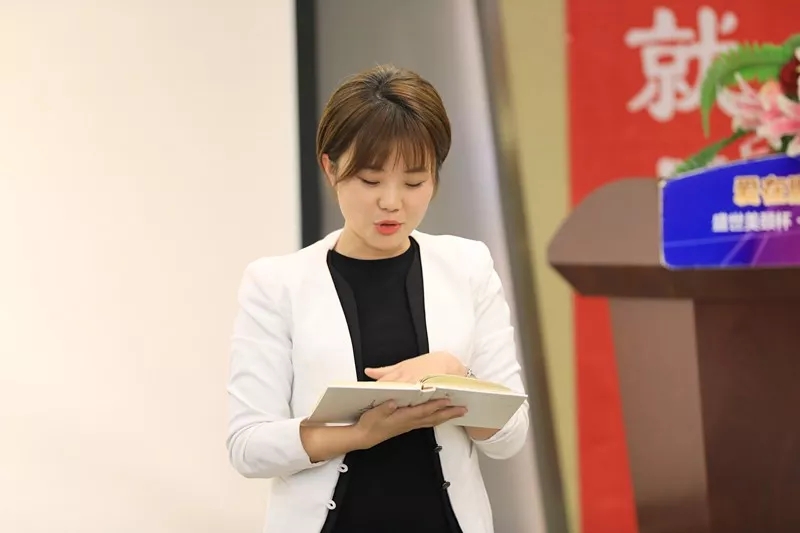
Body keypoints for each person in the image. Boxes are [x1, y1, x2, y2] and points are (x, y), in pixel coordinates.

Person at [226, 64, 529, 533]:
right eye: (370, 180)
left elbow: (510, 437)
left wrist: (456, 376)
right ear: (330, 168)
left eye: (414, 182)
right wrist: (356, 435)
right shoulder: (275, 284)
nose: (392, 202)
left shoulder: (468, 266)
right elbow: (247, 446)